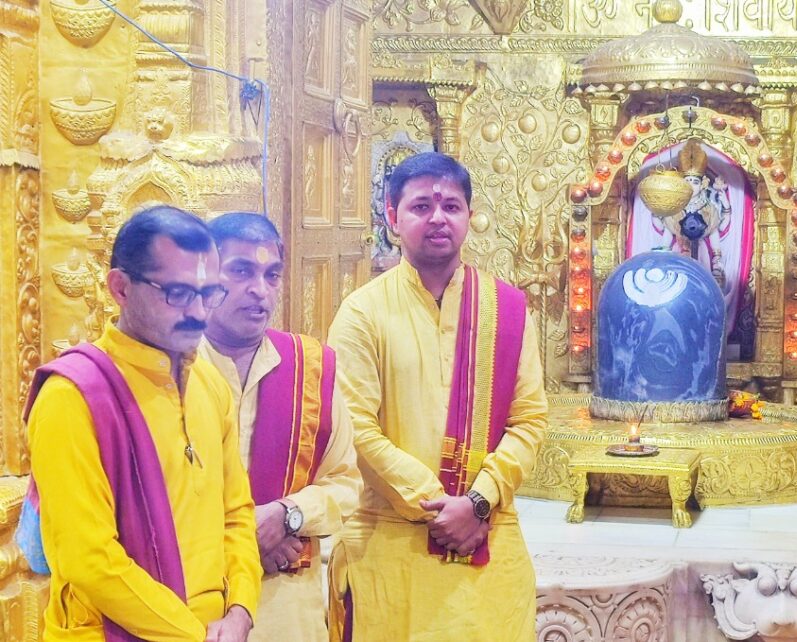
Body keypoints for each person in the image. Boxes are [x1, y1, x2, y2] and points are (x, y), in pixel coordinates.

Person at [326, 152, 547, 641]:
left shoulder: (507, 310)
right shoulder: (362, 313)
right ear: (393, 217)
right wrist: (439, 507)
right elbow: (354, 428)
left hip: (487, 543)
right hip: (391, 545)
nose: (438, 218)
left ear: (469, 215)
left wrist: (478, 503)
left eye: (450, 206)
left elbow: (529, 420)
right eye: (421, 206)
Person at [24, 206, 261, 641]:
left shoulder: (209, 383)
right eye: (179, 293)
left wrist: (242, 610)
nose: (199, 312)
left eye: (209, 293)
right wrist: (194, 635)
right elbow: (89, 559)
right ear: (121, 287)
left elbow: (236, 514)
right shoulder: (72, 397)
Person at [198, 213, 361, 642]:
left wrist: (287, 515)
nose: (260, 289)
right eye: (241, 271)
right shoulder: (171, 369)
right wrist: (242, 543)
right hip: (192, 602)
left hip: (285, 608)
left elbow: (346, 484)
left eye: (272, 275)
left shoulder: (310, 369)